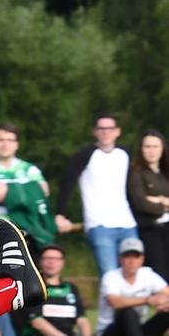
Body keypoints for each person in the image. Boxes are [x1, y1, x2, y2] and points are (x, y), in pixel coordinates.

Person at [56, 113, 136, 276]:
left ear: (117, 131)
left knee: (133, 274)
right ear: (95, 132)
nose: (106, 132)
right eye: (101, 128)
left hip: (128, 224)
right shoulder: (85, 155)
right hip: (99, 224)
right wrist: (60, 213)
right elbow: (67, 182)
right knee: (109, 275)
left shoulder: (124, 154)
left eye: (110, 128)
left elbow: (132, 187)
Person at [0, 122, 53, 260]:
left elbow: (44, 191)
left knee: (35, 279)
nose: (5, 144)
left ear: (17, 144)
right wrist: (29, 190)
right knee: (8, 280)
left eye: (10, 140)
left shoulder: (28, 168)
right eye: (1, 140)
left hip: (31, 231)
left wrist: (9, 190)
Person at [96, 238, 169, 336]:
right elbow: (115, 302)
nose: (132, 261)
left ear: (142, 259)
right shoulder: (111, 277)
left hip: (138, 331)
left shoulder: (147, 274)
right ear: (120, 259)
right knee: (127, 313)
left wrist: (165, 304)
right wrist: (147, 300)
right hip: (111, 334)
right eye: (127, 256)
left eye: (136, 256)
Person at [20, 244, 93, 336]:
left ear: (62, 262)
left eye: (56, 259)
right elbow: (37, 322)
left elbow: (82, 318)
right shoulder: (33, 288)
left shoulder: (71, 288)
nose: (51, 262)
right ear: (40, 261)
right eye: (47, 258)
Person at [127, 130, 169, 278]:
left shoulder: (165, 172)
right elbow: (142, 204)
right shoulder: (136, 172)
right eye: (148, 146)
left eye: (155, 146)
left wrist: (160, 200)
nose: (152, 151)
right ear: (141, 149)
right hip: (150, 229)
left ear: (162, 148)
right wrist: (164, 204)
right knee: (160, 272)